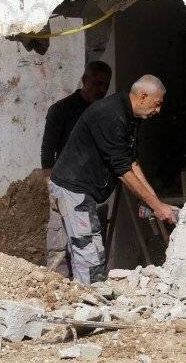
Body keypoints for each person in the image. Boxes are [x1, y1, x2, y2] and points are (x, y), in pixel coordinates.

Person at [48, 75, 178, 285]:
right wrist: (157, 207)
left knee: (90, 248)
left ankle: (84, 295)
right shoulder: (110, 115)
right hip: (73, 188)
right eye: (157, 104)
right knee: (87, 252)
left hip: (84, 189)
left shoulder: (131, 116)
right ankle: (86, 305)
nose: (159, 110)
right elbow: (123, 170)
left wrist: (156, 202)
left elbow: (132, 161)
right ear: (143, 96)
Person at [41, 61, 112, 276]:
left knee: (88, 247)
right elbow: (47, 153)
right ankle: (57, 290)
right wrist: (51, 189)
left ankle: (84, 293)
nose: (101, 89)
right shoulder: (62, 110)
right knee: (58, 247)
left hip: (90, 191)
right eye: (96, 83)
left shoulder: (104, 112)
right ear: (84, 80)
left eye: (105, 85)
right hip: (63, 186)